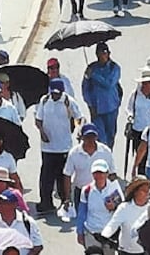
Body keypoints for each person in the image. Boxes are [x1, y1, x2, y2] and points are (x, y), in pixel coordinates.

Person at [34, 77, 83, 214]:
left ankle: (65, 202)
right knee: (46, 177)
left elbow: (78, 118)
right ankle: (46, 203)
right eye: (53, 92)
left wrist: (79, 129)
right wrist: (42, 132)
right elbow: (38, 120)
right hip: (47, 147)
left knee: (63, 177)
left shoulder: (68, 101)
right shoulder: (44, 101)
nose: (55, 95)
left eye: (57, 93)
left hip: (64, 146)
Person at [82, 41, 122, 149]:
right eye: (101, 53)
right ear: (97, 54)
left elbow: (109, 84)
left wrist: (94, 75)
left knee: (110, 136)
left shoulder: (115, 67)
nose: (103, 55)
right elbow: (85, 89)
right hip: (97, 110)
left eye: (105, 52)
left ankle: (108, 157)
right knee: (100, 138)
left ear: (109, 53)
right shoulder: (91, 67)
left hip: (111, 108)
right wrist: (90, 105)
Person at [76, 158, 122, 249]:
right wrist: (80, 232)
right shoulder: (86, 190)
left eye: (102, 172)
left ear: (107, 173)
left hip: (110, 234)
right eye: (96, 173)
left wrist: (114, 207)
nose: (99, 175)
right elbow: (82, 212)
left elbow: (122, 211)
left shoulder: (114, 188)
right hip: (91, 232)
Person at [100, 176, 150, 255]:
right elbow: (112, 224)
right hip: (125, 251)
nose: (147, 193)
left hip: (145, 252)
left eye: (148, 190)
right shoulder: (124, 207)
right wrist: (104, 236)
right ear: (135, 192)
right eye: (144, 190)